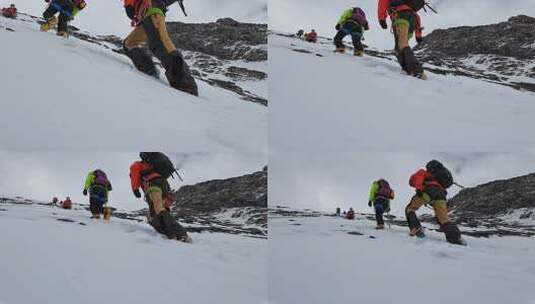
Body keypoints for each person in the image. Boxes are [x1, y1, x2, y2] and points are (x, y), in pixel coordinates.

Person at [122, 0, 198, 96]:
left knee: (159, 42)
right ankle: (149, 69)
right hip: (144, 15)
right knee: (129, 44)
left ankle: (185, 83)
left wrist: (129, 4)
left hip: (151, 7)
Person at [130, 152, 190, 242]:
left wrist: (135, 189)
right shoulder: (152, 167)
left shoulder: (136, 165)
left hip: (153, 184)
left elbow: (135, 176)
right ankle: (169, 233)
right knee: (157, 211)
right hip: (163, 185)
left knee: (158, 209)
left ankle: (181, 234)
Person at [406, 160, 464, 245]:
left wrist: (418, 188)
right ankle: (455, 238)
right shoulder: (437, 177)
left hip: (429, 190)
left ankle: (416, 228)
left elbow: (419, 177)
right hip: (441, 194)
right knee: (443, 218)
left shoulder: (423, 172)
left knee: (410, 209)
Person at [377, 0, 426, 78]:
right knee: (398, 48)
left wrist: (382, 18)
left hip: (400, 15)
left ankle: (417, 71)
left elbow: (383, 1)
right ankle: (407, 69)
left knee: (402, 44)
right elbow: (417, 17)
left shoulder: (400, 6)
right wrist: (418, 35)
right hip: (412, 20)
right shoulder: (409, 6)